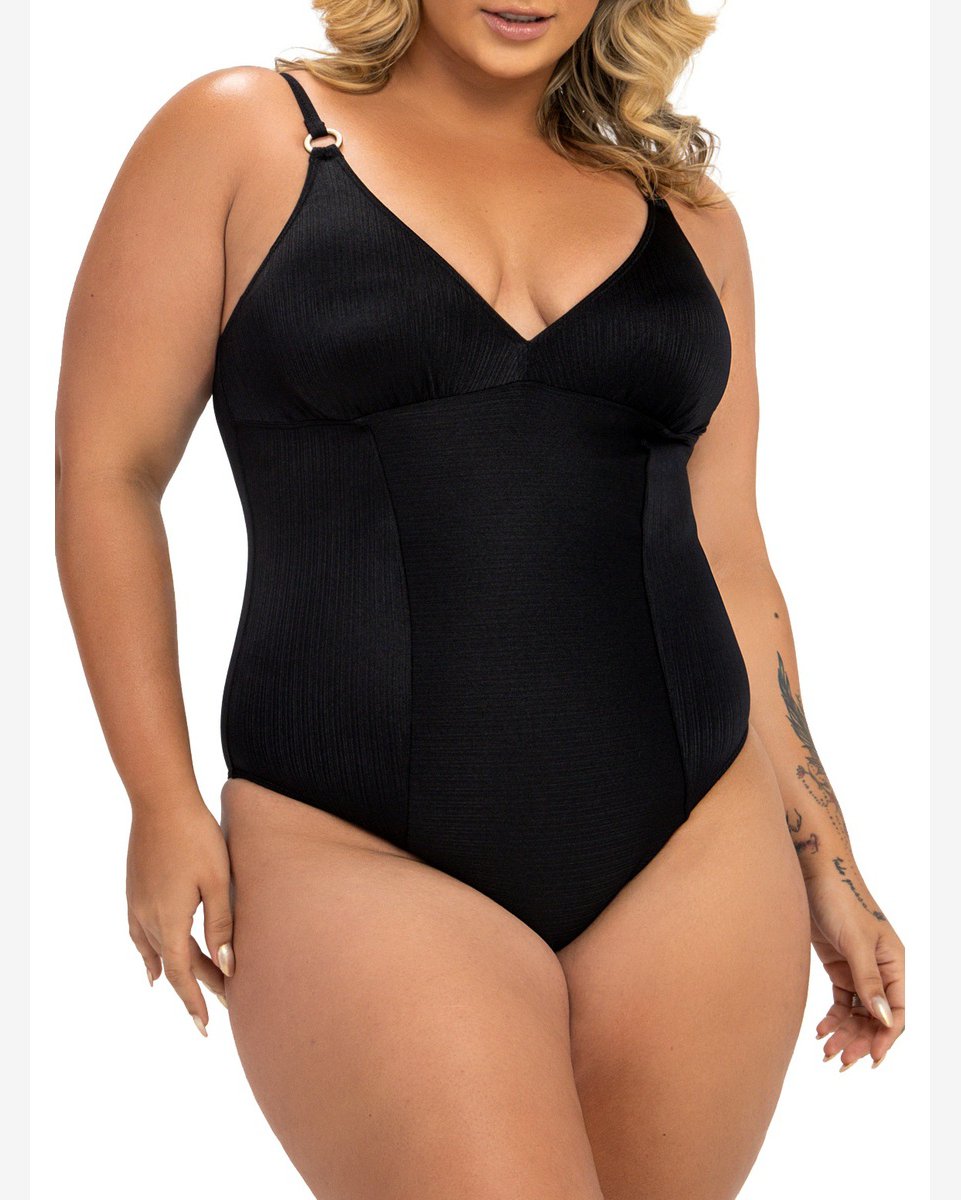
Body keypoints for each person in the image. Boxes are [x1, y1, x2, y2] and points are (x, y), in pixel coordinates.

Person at [54, 2, 906, 1197]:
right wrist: (157, 796)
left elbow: (729, 553)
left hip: (696, 849)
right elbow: (108, 474)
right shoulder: (246, 135)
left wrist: (831, 864)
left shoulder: (691, 219)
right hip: (351, 843)